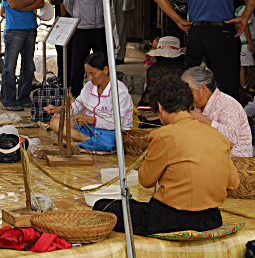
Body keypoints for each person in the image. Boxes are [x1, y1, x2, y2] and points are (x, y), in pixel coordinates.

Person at [93, 75, 239, 236]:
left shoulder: (163, 135)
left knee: (103, 206)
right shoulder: (217, 136)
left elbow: (146, 181)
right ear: (189, 104)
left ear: (160, 107)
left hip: (170, 220)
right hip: (211, 218)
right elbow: (233, 183)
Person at [44, 52, 133, 152]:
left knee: (108, 143)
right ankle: (88, 141)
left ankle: (76, 143)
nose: (90, 78)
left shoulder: (120, 91)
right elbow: (76, 108)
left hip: (111, 132)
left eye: (93, 74)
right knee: (54, 122)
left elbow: (118, 122)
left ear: (106, 70)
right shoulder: (88, 87)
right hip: (88, 129)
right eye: (87, 74)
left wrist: (94, 120)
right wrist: (59, 109)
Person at [0, 0, 44, 111]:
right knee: (10, 67)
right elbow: (12, 4)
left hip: (30, 28)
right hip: (14, 29)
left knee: (27, 66)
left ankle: (24, 98)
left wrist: (21, 6)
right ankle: (8, 100)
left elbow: (40, 3)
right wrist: (30, 1)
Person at [63, 0, 107, 97]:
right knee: (78, 64)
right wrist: (79, 16)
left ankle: (102, 92)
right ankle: (76, 94)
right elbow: (68, 2)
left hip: (100, 27)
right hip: (81, 28)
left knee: (102, 62)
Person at [182, 65, 252, 157]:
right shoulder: (198, 107)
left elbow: (232, 138)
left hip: (235, 160)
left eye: (189, 91)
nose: (185, 95)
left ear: (203, 88)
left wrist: (203, 120)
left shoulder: (227, 103)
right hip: (212, 156)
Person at [45, 0, 72, 82]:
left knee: (63, 54)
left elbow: (63, 6)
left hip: (63, 25)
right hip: (65, 24)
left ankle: (63, 79)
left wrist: (62, 24)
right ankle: (63, 77)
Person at [236, 0, 255, 87]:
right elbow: (245, 26)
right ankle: (246, 86)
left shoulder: (240, 9)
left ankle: (246, 86)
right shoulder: (245, 9)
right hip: (246, 42)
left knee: (245, 65)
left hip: (245, 42)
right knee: (247, 65)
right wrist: (250, 42)